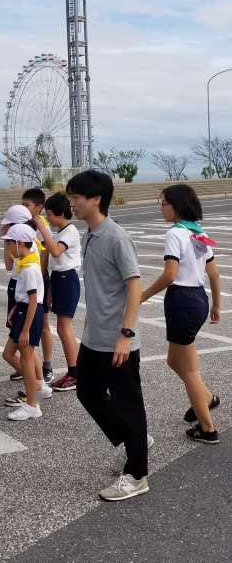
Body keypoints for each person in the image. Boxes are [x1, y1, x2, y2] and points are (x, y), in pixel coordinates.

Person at [66, 170, 150, 502]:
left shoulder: (116, 237)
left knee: (130, 406)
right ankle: (135, 439)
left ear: (96, 199)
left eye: (77, 197)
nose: (72, 203)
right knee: (87, 392)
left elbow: (134, 286)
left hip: (118, 340)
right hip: (94, 337)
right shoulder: (88, 235)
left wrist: (126, 335)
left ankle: (137, 474)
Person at [141, 184, 221, 444]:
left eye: (164, 203)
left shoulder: (175, 233)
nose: (161, 208)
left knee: (189, 370)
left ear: (177, 206)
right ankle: (206, 398)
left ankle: (207, 429)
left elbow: (170, 274)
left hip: (182, 301)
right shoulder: (198, 232)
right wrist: (216, 305)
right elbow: (214, 273)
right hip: (198, 299)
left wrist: (143, 295)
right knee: (174, 360)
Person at [2, 224, 51, 420]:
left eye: (9, 244)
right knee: (8, 353)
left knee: (26, 359)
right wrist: (15, 311)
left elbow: (33, 301)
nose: (8, 248)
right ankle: (37, 386)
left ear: (20, 243)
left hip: (29, 314)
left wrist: (25, 330)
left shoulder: (30, 268)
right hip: (23, 311)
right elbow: (25, 298)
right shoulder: (25, 263)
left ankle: (32, 404)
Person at [35, 192, 81, 392]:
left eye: (50, 215)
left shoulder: (70, 231)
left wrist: (43, 229)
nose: (48, 219)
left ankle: (75, 372)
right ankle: (74, 371)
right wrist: (50, 291)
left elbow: (55, 251)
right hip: (59, 279)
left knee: (64, 328)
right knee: (62, 328)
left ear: (60, 213)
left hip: (67, 279)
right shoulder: (62, 232)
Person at [22, 187, 54, 384]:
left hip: (39, 278)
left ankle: (47, 365)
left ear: (39, 207)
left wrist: (41, 279)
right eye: (22, 204)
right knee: (24, 324)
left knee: (43, 325)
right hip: (26, 277)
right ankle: (28, 364)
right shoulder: (23, 224)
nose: (23, 208)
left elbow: (45, 255)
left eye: (27, 205)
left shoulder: (42, 226)